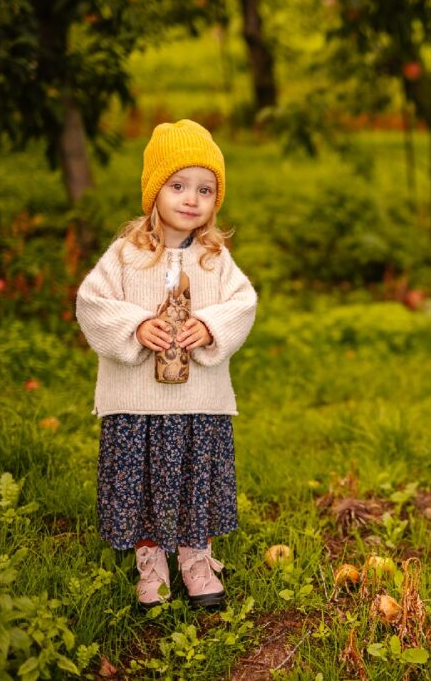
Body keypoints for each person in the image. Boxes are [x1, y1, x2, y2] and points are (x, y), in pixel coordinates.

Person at [76, 119, 257, 609]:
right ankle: (150, 558)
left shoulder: (215, 258)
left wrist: (212, 325)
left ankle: (196, 558)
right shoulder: (126, 256)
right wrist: (134, 326)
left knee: (195, 477)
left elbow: (243, 304)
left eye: (204, 189)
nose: (190, 199)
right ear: (154, 190)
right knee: (143, 483)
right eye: (177, 186)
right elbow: (91, 303)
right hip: (137, 405)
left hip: (199, 404)